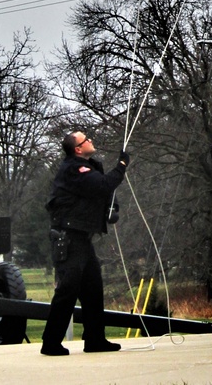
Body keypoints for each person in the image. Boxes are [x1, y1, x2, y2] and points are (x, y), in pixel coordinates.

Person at [40, 131, 130, 356]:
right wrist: (121, 164)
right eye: (85, 139)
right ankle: (50, 343)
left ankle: (95, 339)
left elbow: (101, 192)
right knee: (68, 290)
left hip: (82, 238)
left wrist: (113, 208)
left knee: (92, 289)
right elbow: (102, 185)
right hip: (69, 238)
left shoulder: (87, 167)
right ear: (78, 149)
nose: (90, 140)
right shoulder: (75, 168)